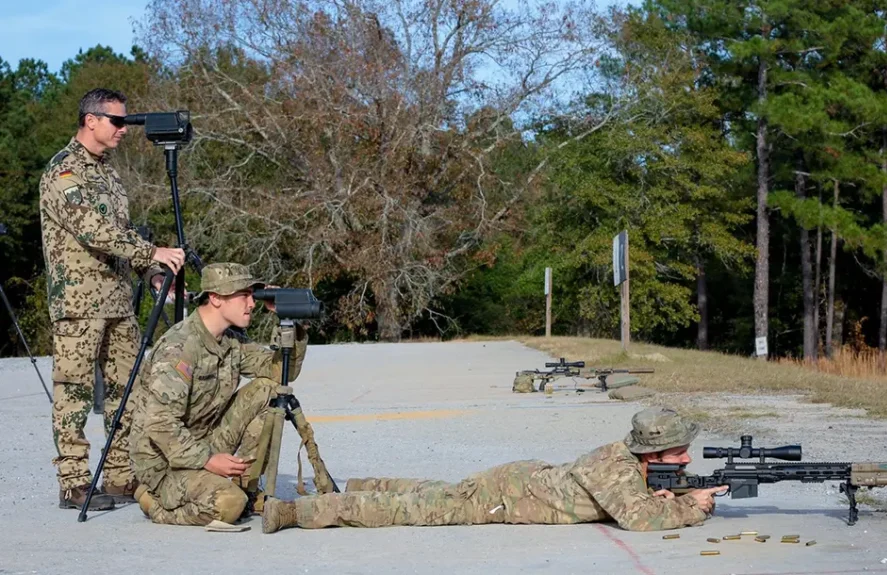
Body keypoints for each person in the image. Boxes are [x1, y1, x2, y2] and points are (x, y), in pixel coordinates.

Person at [39, 87, 186, 511]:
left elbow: (123, 235)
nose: (124, 129)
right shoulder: (64, 172)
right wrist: (152, 252)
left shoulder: (108, 174)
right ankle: (73, 482)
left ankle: (121, 475)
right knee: (75, 393)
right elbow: (93, 231)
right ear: (91, 120)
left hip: (119, 302)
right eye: (117, 122)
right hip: (79, 305)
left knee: (132, 388)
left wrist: (152, 272)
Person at [261, 406, 729, 533]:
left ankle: (359, 483)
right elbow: (641, 520)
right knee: (403, 511)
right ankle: (291, 512)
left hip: (516, 482)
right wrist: (692, 509)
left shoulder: (631, 466)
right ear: (652, 454)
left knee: (435, 491)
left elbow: (644, 499)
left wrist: (675, 494)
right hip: (502, 499)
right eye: (678, 454)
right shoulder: (614, 467)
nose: (687, 460)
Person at [129, 263, 308, 528]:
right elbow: (161, 425)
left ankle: (247, 488)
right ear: (215, 298)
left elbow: (281, 372)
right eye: (244, 295)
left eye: (254, 295)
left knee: (269, 390)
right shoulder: (179, 348)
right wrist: (209, 460)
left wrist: (290, 321)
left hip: (201, 442)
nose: (252, 303)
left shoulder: (231, 340)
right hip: (164, 463)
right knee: (228, 505)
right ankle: (154, 502)